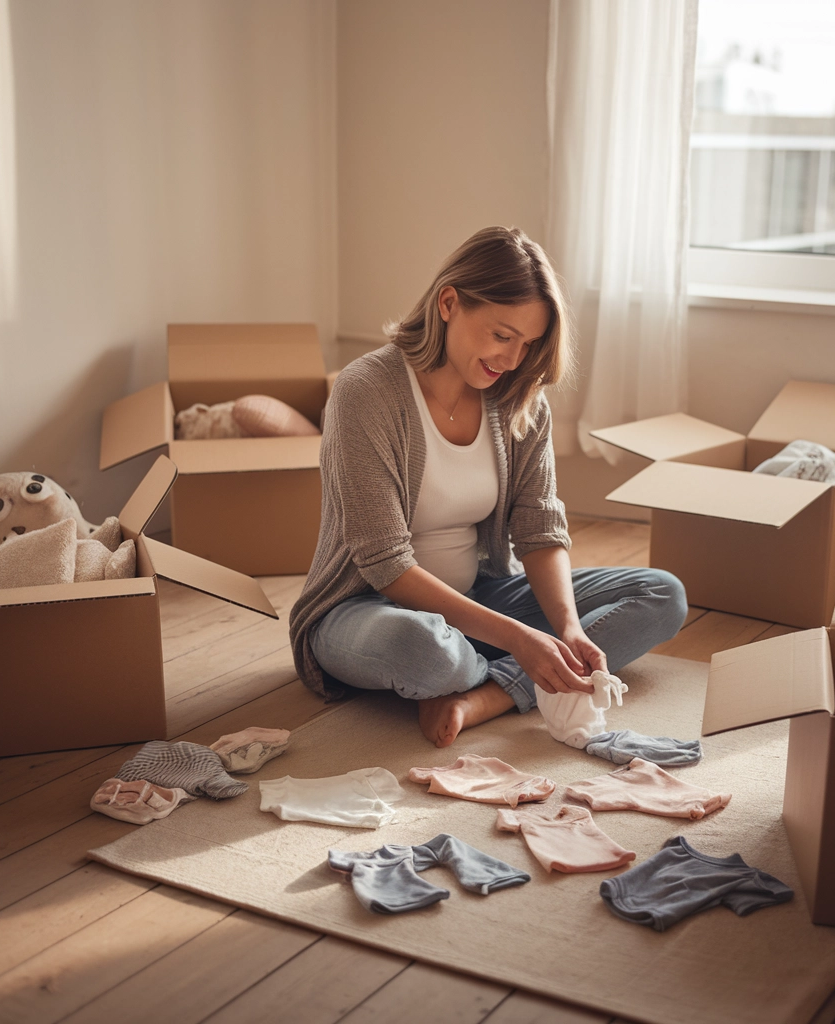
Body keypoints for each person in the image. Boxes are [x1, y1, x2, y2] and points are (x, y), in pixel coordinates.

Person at [289, 226, 688, 748]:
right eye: (502, 335)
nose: (512, 359)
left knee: (662, 594)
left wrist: (566, 628)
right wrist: (520, 639)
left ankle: (487, 696)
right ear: (449, 303)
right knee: (426, 651)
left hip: (479, 592)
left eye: (528, 344)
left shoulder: (518, 399)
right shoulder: (366, 391)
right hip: (362, 609)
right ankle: (479, 669)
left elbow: (539, 528)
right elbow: (384, 564)